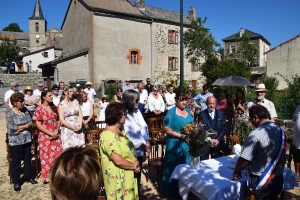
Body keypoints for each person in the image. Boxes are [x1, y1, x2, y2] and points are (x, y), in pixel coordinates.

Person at [233, 105, 286, 200]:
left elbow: (244, 161)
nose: (251, 122)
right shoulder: (280, 130)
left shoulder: (255, 134)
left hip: (261, 182)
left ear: (255, 117)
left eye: (251, 119)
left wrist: (237, 171)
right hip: (278, 178)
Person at [99, 103, 139, 200]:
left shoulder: (122, 132)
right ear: (117, 116)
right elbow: (118, 160)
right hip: (118, 181)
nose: (126, 116)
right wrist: (134, 166)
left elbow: (129, 150)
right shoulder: (107, 136)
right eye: (124, 114)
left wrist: (136, 160)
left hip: (128, 177)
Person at [161, 92, 193, 198]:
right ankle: (174, 191)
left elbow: (192, 125)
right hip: (175, 143)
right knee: (175, 167)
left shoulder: (187, 111)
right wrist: (181, 136)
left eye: (185, 100)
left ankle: (186, 190)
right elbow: (166, 129)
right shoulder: (171, 112)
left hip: (187, 143)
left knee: (186, 166)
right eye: (181, 100)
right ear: (176, 101)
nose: (184, 102)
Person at [6, 92, 38, 191]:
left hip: (27, 139)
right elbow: (11, 128)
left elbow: (30, 124)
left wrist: (20, 128)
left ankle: (28, 176)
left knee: (28, 159)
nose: (23, 103)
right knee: (16, 161)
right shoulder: (9, 113)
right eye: (21, 101)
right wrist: (25, 127)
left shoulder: (25, 110)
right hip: (15, 142)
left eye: (23, 101)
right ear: (15, 103)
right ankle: (16, 182)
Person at [122, 90, 150, 197]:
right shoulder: (124, 114)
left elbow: (145, 128)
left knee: (137, 179)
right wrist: (144, 147)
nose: (139, 101)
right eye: (136, 100)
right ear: (129, 101)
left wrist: (147, 143)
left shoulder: (137, 111)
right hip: (131, 152)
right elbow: (128, 136)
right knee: (131, 179)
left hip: (141, 151)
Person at [32, 90, 63, 184]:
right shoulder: (39, 109)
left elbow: (59, 120)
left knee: (58, 156)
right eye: (49, 95)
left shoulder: (55, 108)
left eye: (52, 95)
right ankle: (47, 177)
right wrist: (50, 134)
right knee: (46, 157)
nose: (51, 97)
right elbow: (38, 125)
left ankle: (58, 176)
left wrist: (56, 131)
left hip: (56, 135)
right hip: (45, 137)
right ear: (44, 97)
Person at [198, 96, 226, 160]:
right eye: (210, 103)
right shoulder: (202, 114)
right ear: (206, 103)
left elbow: (223, 128)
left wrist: (218, 139)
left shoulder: (220, 114)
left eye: (213, 104)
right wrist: (208, 140)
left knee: (216, 162)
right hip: (206, 143)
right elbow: (200, 129)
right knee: (203, 162)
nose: (212, 105)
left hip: (217, 142)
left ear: (216, 104)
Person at [292, 104, 300, 182]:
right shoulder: (298, 107)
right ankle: (297, 175)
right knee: (297, 159)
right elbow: (294, 120)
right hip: (297, 140)